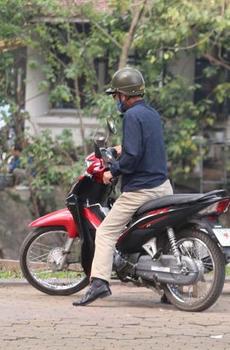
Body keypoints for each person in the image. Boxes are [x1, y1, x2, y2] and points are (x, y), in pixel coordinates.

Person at [74, 67, 174, 306]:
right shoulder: (151, 114)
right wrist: (119, 148)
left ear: (125, 95)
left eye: (116, 95)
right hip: (163, 186)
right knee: (161, 237)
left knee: (107, 232)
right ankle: (172, 288)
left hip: (141, 190)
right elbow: (141, 146)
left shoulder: (130, 116)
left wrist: (112, 171)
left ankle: (99, 283)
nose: (116, 100)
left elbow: (132, 158)